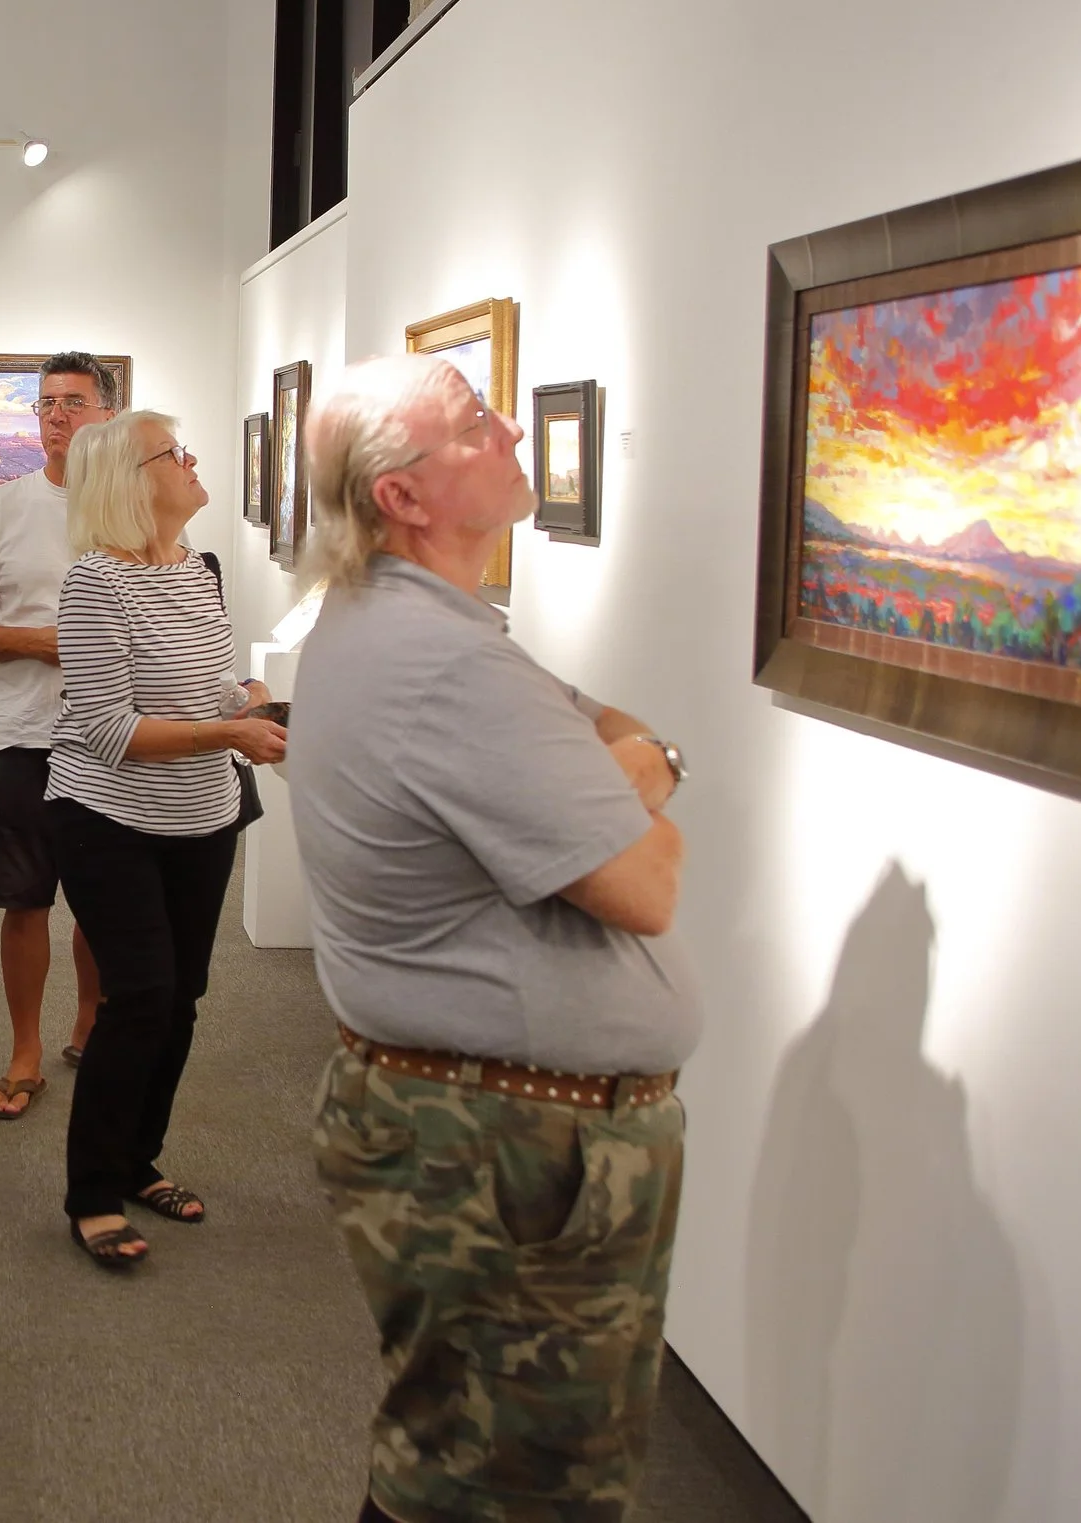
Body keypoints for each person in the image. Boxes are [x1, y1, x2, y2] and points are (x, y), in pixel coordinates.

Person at [291, 354, 699, 1523]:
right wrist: (654, 770)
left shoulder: (434, 636)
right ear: (402, 498)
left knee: (473, 1461)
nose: (512, 426)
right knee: (501, 1484)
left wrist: (631, 761)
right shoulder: (443, 664)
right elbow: (648, 879)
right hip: (508, 1149)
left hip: (494, 1127)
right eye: (472, 422)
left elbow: (604, 724)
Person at [42, 412, 284, 1267]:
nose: (192, 462)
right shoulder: (93, 583)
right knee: (139, 994)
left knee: (181, 995)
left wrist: (243, 695)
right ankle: (91, 1190)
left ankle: (138, 1157)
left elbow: (203, 675)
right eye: (174, 453)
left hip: (199, 814)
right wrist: (230, 734)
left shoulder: (196, 569)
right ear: (130, 479)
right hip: (106, 814)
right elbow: (107, 727)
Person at [0, 352, 118, 1120]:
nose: (57, 417)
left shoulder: (134, 508)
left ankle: (89, 1023)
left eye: (74, 402)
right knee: (24, 900)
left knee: (105, 900)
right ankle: (24, 1051)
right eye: (47, 404)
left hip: (113, 737)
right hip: (22, 736)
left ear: (106, 414)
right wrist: (38, 643)